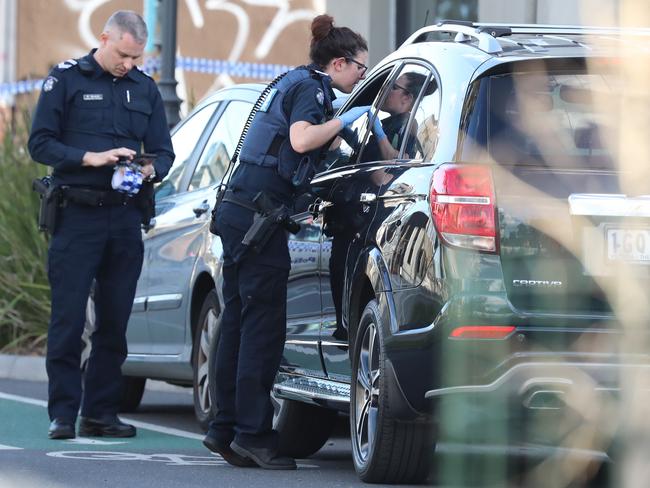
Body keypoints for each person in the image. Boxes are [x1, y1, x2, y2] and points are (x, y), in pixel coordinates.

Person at [203, 14, 369, 470]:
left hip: (240, 215)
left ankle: (224, 429)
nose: (360, 77)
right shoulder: (312, 90)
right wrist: (344, 123)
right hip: (259, 222)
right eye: (359, 68)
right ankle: (254, 436)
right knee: (261, 329)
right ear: (338, 63)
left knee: (236, 322)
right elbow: (299, 140)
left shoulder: (291, 82)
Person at [28, 10, 174, 440]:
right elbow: (40, 142)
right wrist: (90, 158)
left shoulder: (144, 89)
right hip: (76, 215)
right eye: (124, 54)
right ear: (105, 38)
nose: (129, 64)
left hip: (124, 216)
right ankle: (62, 413)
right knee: (69, 319)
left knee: (114, 321)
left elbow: (164, 152)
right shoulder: (67, 79)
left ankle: (101, 412)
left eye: (136, 57)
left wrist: (148, 170)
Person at [363, 72, 432, 162]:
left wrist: (380, 135)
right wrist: (354, 142)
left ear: (406, 98)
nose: (385, 88)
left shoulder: (407, 126)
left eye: (394, 87)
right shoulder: (394, 124)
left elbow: (401, 161)